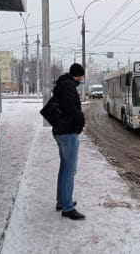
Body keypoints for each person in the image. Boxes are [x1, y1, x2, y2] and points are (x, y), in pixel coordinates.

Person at [51, 63, 86, 220]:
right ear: (78, 75)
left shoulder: (62, 84)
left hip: (61, 131)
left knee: (65, 167)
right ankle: (67, 207)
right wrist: (81, 119)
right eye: (82, 75)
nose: (82, 78)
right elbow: (70, 108)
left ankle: (62, 200)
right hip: (68, 132)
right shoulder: (69, 86)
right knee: (69, 170)